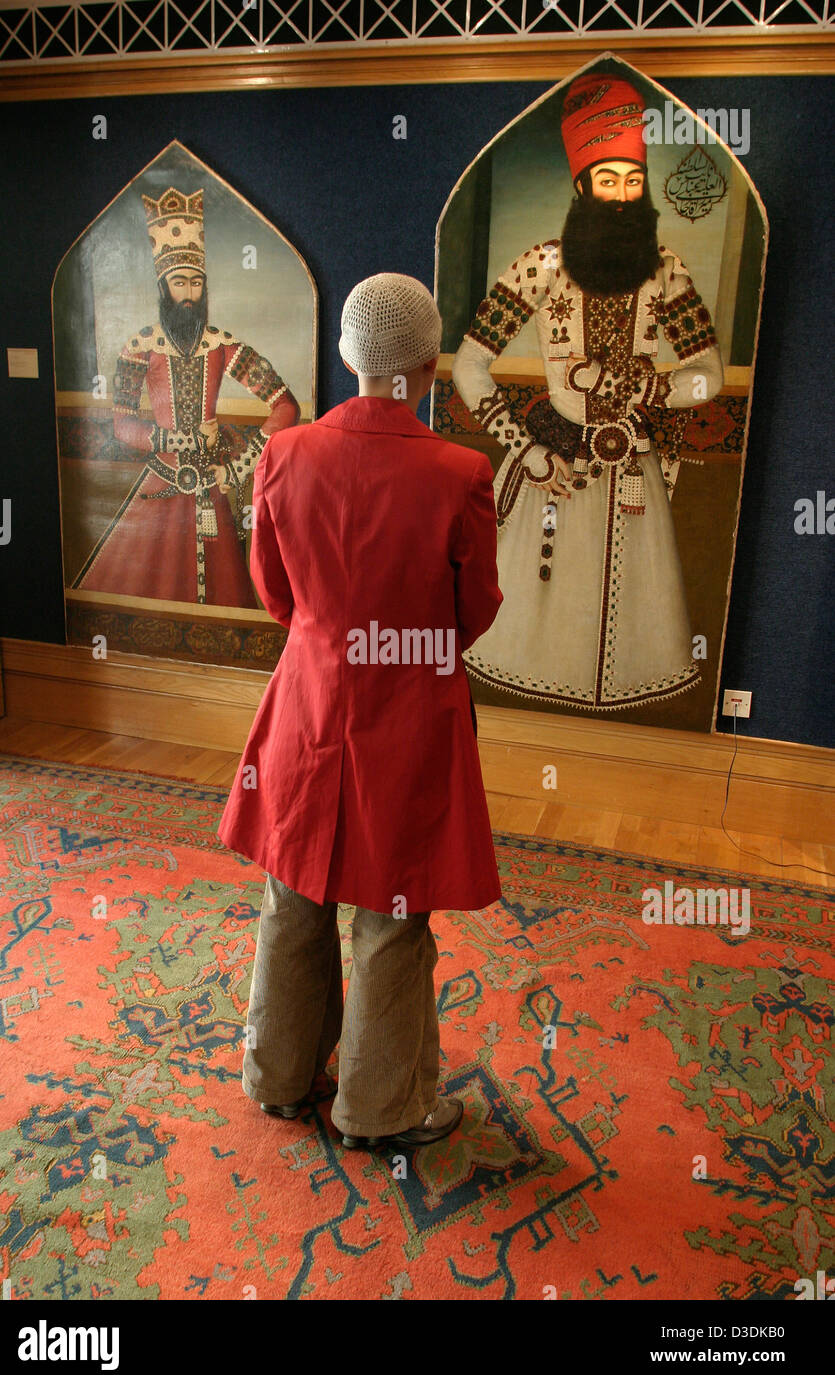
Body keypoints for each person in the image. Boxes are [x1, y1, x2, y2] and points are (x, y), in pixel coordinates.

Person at [217, 273, 503, 1149]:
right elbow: (475, 611)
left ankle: (278, 1076)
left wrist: (325, 635)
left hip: (307, 695)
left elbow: (274, 593)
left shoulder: (284, 454)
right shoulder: (460, 471)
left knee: (293, 888)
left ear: (346, 356)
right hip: (410, 706)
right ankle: (381, 1111)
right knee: (392, 907)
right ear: (426, 363)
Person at [451, 71, 724, 713]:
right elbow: (468, 366)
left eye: (634, 182)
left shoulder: (668, 269)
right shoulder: (541, 264)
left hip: (634, 464)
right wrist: (524, 447)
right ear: (583, 185)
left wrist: (654, 387)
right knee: (543, 601)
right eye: (609, 181)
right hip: (554, 461)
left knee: (637, 604)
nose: (623, 197)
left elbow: (706, 374)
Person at [74, 187, 299, 608]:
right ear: (164, 285)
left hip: (211, 488)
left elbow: (286, 406)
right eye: (180, 282)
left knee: (223, 600)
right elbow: (121, 423)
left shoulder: (221, 344)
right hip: (160, 480)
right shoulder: (140, 346)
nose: (190, 293)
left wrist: (236, 469)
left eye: (197, 282)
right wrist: (171, 440)